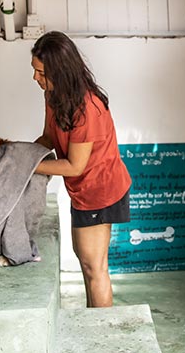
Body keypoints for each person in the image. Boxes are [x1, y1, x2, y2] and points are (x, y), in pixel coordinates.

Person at [31, 31, 131, 308]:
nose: (35, 78)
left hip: (101, 190)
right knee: (84, 258)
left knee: (94, 267)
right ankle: (93, 324)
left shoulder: (87, 108)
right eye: (34, 71)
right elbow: (48, 138)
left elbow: (75, 166)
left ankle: (102, 335)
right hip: (83, 191)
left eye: (40, 73)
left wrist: (29, 168)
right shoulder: (54, 96)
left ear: (59, 71)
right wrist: (20, 154)